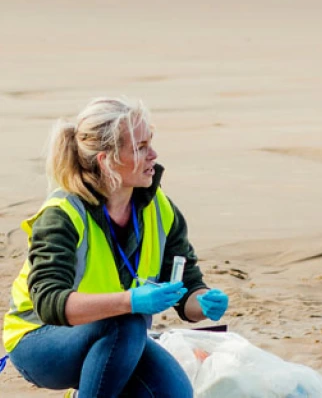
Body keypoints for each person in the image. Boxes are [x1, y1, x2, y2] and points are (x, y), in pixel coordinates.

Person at [2, 97, 230, 397]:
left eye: (151, 143)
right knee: (127, 323)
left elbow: (187, 287)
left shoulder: (159, 208)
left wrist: (202, 302)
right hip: (39, 340)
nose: (154, 155)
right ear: (106, 160)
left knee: (175, 393)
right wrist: (130, 301)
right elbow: (50, 303)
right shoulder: (62, 215)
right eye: (140, 147)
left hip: (118, 337)